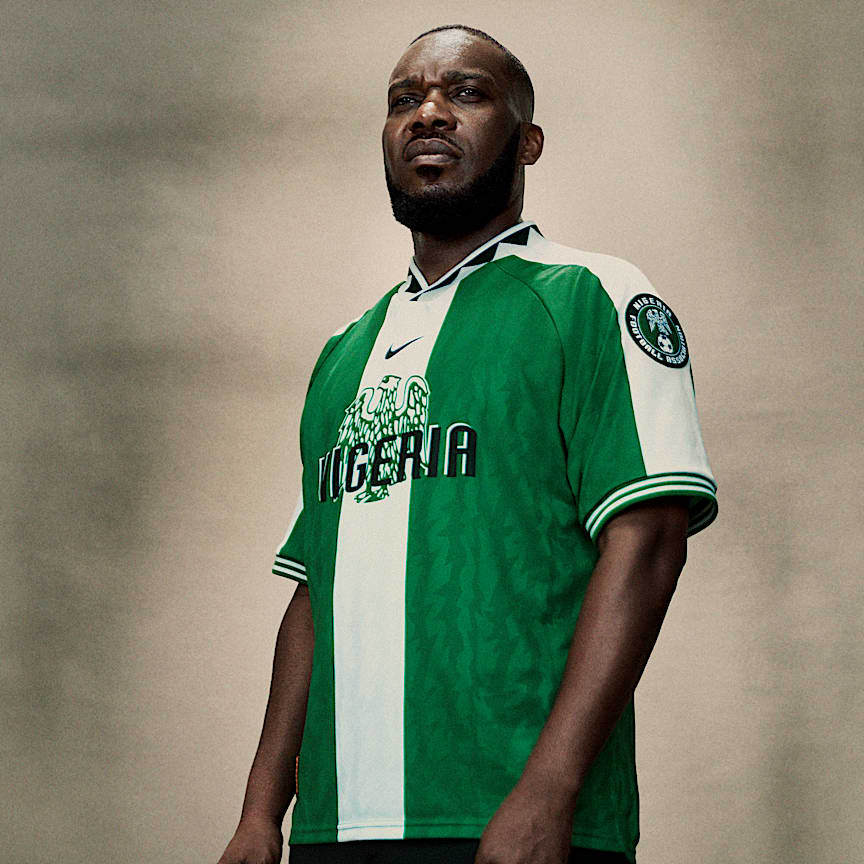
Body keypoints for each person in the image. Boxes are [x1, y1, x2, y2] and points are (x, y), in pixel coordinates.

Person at [216, 24, 717, 864]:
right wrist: (261, 813)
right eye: (404, 99)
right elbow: (313, 594)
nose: (428, 113)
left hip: (512, 821)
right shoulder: (344, 353)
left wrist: (549, 790)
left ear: (528, 141)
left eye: (467, 93)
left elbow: (650, 539)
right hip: (337, 827)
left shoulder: (592, 296)